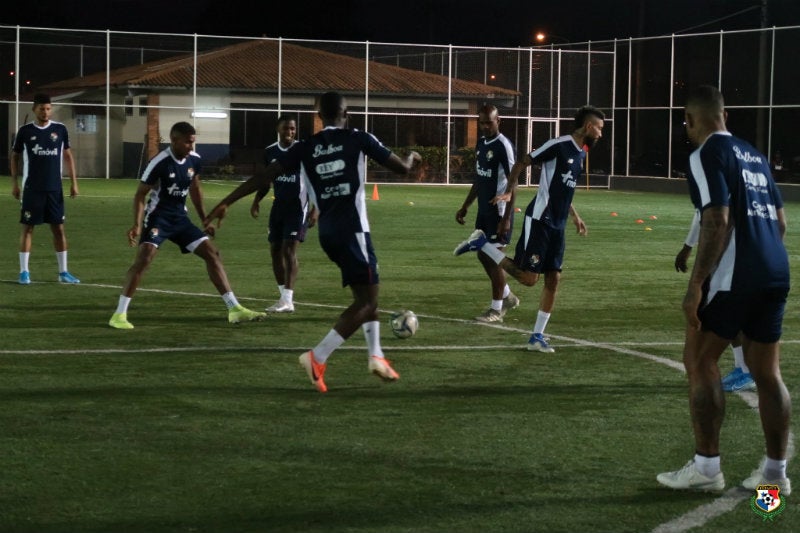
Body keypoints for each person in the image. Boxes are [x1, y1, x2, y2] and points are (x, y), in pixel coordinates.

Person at [205, 92, 421, 393]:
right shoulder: (358, 137)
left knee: (366, 293)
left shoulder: (306, 147)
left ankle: (377, 356)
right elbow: (403, 168)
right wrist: (413, 157)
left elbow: (265, 176)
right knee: (368, 300)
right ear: (345, 113)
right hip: (354, 230)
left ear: (319, 115)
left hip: (327, 233)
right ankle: (317, 357)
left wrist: (227, 201)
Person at [656, 85, 791, 494]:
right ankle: (775, 474)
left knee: (699, 362)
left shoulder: (705, 154)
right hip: (775, 270)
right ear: (725, 115)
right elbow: (781, 223)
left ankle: (707, 468)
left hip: (736, 273)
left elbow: (716, 218)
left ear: (691, 121)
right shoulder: (755, 154)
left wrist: (696, 285)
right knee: (768, 374)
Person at [453, 105, 604, 353]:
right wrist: (510, 190)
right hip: (540, 219)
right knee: (529, 278)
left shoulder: (582, 153)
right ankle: (482, 245)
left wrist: (575, 216)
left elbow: (564, 189)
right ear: (588, 126)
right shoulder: (559, 144)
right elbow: (523, 161)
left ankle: (537, 336)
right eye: (599, 128)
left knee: (554, 279)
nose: (600, 133)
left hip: (558, 225)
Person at [108, 121, 266, 329]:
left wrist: (205, 219)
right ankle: (119, 314)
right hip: (158, 218)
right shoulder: (159, 162)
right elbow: (140, 195)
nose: (191, 147)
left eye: (193, 142)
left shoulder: (194, 160)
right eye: (187, 142)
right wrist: (136, 225)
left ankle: (234, 309)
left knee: (212, 254)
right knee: (144, 259)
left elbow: (195, 188)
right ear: (174, 141)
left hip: (180, 219)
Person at [675, 210, 754, 392]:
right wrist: (688, 246)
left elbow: (720, 219)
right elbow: (701, 214)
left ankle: (748, 371)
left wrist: (707, 260)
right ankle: (742, 367)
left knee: (726, 315)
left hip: (731, 260)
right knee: (728, 314)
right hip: (731, 258)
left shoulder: (722, 184)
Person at [455, 104, 519, 323]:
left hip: (498, 212)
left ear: (498, 120)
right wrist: (466, 205)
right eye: (481, 122)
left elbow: (513, 183)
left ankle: (496, 310)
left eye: (488, 122)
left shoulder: (504, 146)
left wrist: (507, 218)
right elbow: (480, 178)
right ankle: (507, 295)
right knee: (483, 254)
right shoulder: (481, 143)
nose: (484, 126)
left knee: (494, 258)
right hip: (483, 210)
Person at [10, 92, 80, 285]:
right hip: (32, 189)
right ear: (34, 109)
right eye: (42, 108)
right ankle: (24, 272)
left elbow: (68, 156)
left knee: (58, 229)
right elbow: (14, 157)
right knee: (28, 228)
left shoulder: (60, 129)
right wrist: (15, 183)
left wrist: (74, 182)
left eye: (48, 108)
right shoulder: (25, 132)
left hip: (54, 189)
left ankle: (63, 272)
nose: (45, 112)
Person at [250, 115, 317, 313]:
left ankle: (288, 298)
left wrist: (316, 209)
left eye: (293, 129)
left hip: (298, 208)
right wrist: (256, 200)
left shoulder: (303, 151)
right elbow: (265, 180)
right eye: (286, 129)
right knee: (275, 251)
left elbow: (316, 180)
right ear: (278, 129)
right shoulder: (270, 152)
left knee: (289, 250)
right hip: (278, 207)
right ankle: (283, 298)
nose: (290, 132)